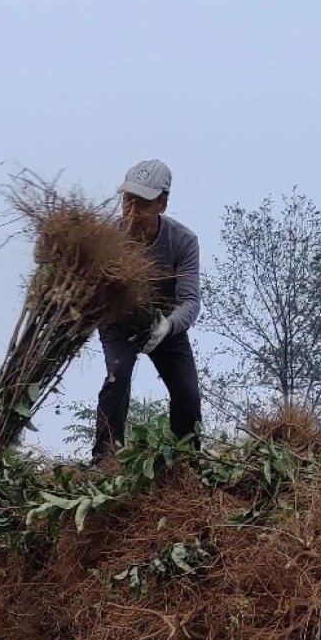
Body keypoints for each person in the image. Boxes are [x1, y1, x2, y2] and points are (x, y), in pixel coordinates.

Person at [93, 159, 201, 461]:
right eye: (127, 202)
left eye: (142, 205)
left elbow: (190, 301)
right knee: (117, 378)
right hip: (119, 322)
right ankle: (104, 461)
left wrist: (166, 326)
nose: (131, 213)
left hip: (163, 322)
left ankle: (186, 460)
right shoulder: (108, 240)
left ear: (162, 204)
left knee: (187, 394)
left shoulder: (183, 242)